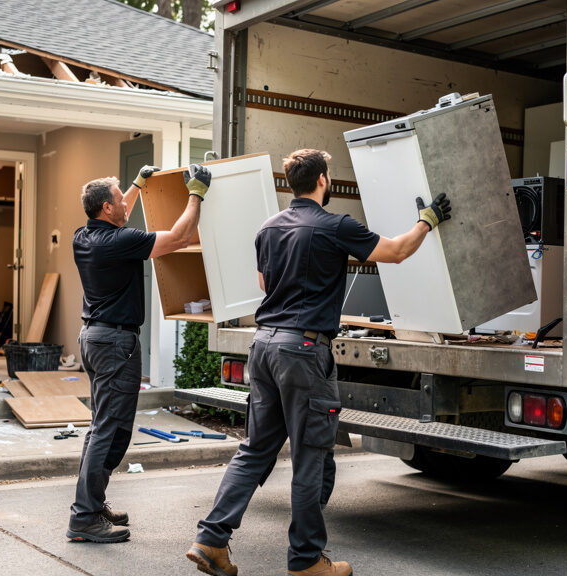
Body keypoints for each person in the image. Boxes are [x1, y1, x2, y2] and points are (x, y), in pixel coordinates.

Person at [186, 149, 451, 576]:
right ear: (323, 180)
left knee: (255, 451)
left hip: (265, 345)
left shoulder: (268, 228)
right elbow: (397, 252)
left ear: (293, 183)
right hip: (304, 353)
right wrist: (429, 220)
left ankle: (211, 540)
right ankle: (307, 560)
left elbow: (264, 283)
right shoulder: (335, 225)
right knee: (311, 456)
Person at [67, 163, 212, 543]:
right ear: (107, 210)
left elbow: (118, 207)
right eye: (120, 201)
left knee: (101, 426)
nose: (125, 204)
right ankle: (84, 517)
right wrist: (196, 193)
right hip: (116, 343)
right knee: (109, 431)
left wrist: (134, 185)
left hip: (94, 339)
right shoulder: (121, 241)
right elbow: (180, 237)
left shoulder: (83, 236)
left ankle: (91, 504)